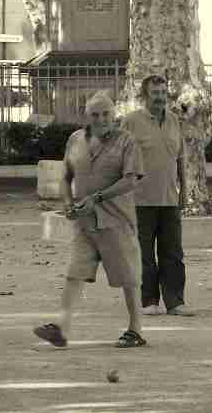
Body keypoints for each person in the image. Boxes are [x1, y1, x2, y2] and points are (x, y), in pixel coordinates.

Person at [33, 91, 147, 348]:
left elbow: (131, 180)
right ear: (87, 116)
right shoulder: (75, 139)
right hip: (83, 224)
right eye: (95, 114)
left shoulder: (127, 141)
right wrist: (67, 203)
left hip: (116, 221)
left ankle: (135, 330)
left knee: (128, 278)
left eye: (106, 114)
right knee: (74, 273)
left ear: (114, 114)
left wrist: (97, 198)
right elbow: (65, 178)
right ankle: (61, 328)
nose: (101, 119)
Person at [122, 74, 193, 316]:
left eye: (163, 93)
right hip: (139, 201)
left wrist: (184, 191)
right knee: (144, 255)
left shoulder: (174, 120)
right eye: (155, 93)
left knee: (173, 254)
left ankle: (175, 302)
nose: (160, 98)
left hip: (170, 199)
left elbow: (180, 158)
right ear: (145, 95)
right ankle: (149, 301)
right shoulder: (131, 122)